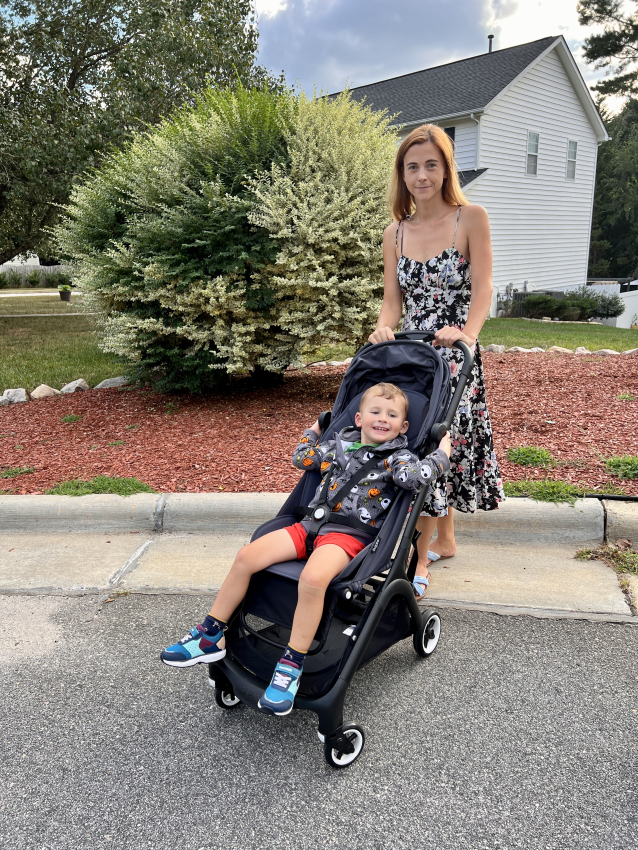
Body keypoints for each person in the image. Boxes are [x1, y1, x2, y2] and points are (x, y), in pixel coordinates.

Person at [161, 382, 451, 716]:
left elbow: (418, 478)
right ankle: (210, 635)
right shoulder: (338, 444)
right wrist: (316, 428)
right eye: (375, 412)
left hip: (347, 536)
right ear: (358, 418)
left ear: (403, 427)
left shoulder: (398, 459)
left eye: (391, 415)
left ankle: (291, 665)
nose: (382, 418)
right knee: (246, 557)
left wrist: (442, 452)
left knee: (312, 580)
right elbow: (303, 458)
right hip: (308, 525)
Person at [368, 124, 504, 594]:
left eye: (431, 165)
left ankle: (423, 553)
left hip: (455, 351)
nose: (422, 175)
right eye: (412, 167)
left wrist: (467, 333)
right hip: (412, 354)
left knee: (440, 441)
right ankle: (442, 538)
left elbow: (484, 289)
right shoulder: (395, 232)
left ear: (446, 169)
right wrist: (384, 329)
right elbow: (392, 301)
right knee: (420, 437)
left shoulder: (471, 217)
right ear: (401, 175)